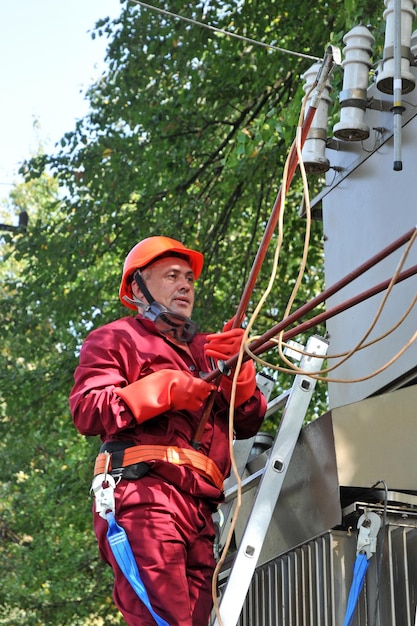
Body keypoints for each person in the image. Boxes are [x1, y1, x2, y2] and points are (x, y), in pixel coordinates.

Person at [69, 236, 267, 626]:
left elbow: (247, 422)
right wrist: (160, 391)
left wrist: (240, 377)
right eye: (172, 276)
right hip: (146, 495)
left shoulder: (206, 350)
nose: (185, 286)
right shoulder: (117, 338)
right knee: (165, 619)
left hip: (201, 510)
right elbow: (87, 410)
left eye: (190, 279)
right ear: (137, 288)